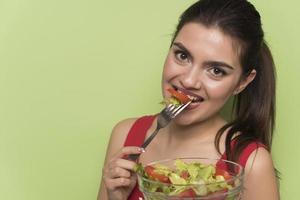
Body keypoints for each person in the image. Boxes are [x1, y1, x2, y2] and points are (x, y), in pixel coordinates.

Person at [98, 0, 280, 199]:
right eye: (182, 55)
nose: (189, 80)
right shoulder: (125, 137)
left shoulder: (252, 162)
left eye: (216, 70)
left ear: (242, 82)